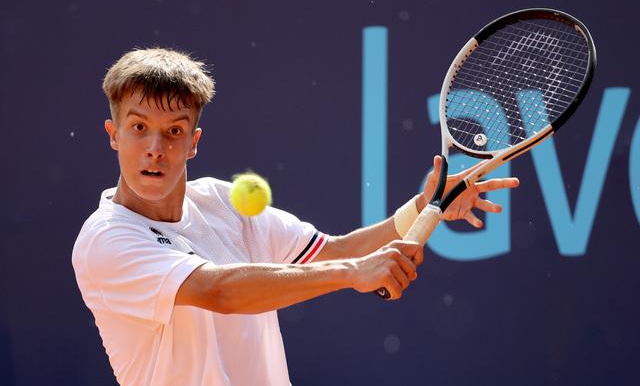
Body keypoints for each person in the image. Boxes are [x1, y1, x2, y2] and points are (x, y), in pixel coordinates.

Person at [72, 48, 519, 386]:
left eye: (173, 131)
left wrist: (423, 208)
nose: (155, 148)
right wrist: (351, 273)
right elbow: (218, 291)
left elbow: (337, 251)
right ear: (114, 135)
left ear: (194, 142)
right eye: (138, 128)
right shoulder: (106, 240)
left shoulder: (223, 202)